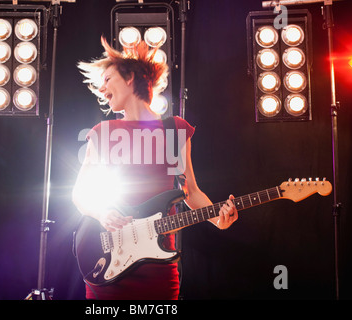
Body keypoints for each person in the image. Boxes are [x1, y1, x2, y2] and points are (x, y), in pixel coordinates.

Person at [72, 37, 238, 300]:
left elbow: (190, 192)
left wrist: (218, 219)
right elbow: (80, 195)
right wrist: (102, 213)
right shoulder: (102, 133)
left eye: (107, 79)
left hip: (158, 264)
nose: (102, 89)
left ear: (129, 78)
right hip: (110, 262)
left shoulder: (174, 130)